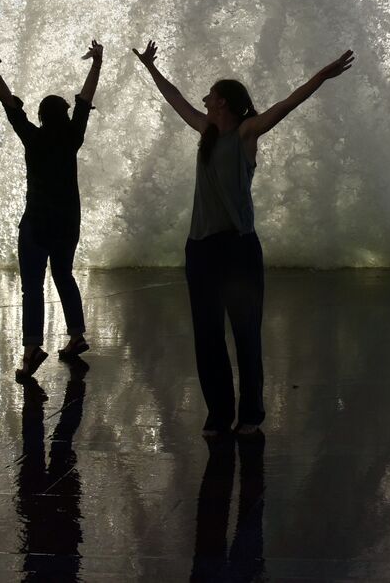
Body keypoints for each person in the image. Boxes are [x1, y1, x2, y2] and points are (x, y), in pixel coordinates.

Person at [133, 41, 354, 436]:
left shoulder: (247, 133)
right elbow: (176, 99)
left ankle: (250, 415)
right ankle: (219, 414)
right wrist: (151, 68)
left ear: (225, 104)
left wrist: (322, 75)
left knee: (246, 334)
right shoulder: (205, 131)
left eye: (212, 96)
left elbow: (287, 104)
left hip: (238, 250)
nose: (204, 99)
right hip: (200, 250)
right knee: (208, 337)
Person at [0, 37, 102, 380]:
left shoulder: (32, 136)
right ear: (65, 115)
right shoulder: (72, 136)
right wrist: (96, 63)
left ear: (40, 116)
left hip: (37, 222)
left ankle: (31, 350)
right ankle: (76, 335)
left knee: (33, 286)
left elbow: (10, 106)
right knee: (64, 274)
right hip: (68, 222)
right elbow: (86, 99)